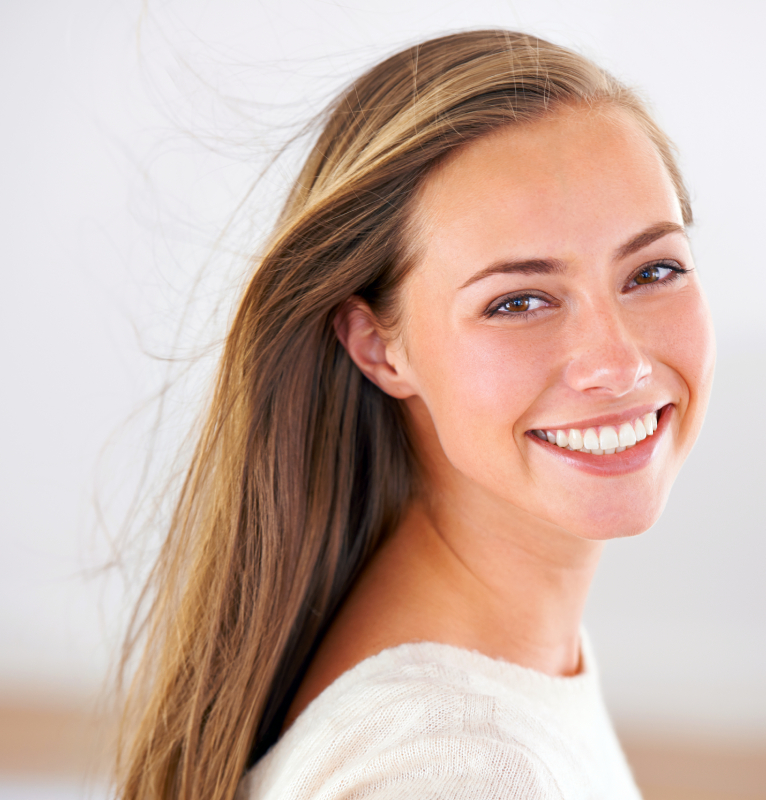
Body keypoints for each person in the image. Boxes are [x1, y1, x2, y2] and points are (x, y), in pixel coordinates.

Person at [115, 29, 715, 800]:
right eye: (519, 301)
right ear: (377, 347)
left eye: (654, 269)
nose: (619, 363)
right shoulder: (451, 769)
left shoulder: (506, 675)